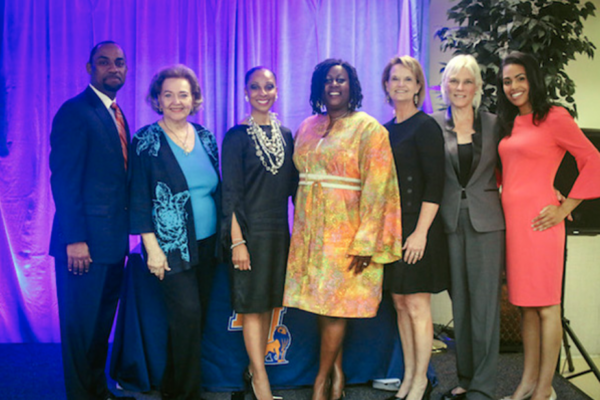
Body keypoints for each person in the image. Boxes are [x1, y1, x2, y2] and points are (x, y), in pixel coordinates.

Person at [283, 58, 403, 400]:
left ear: (352, 86)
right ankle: (337, 371)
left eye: (341, 80)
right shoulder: (307, 126)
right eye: (327, 80)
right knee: (324, 304)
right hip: (311, 232)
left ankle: (321, 381)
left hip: (347, 234)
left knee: (337, 304)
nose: (333, 86)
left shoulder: (369, 129)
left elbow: (379, 187)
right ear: (319, 87)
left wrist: (366, 241)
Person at [497, 52, 600, 400]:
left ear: (534, 79)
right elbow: (507, 171)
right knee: (524, 304)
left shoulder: (554, 116)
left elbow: (593, 161)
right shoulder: (507, 121)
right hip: (513, 225)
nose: (514, 87)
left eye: (521, 78)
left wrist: (565, 206)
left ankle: (544, 389)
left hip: (541, 224)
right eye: (508, 80)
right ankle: (527, 381)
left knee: (547, 305)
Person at [49, 41, 135, 400]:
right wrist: (75, 239)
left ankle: (97, 390)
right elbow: (64, 179)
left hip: (112, 244)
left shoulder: (117, 114)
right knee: (80, 329)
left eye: (119, 63)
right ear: (89, 68)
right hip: (82, 245)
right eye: (104, 62)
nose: (113, 68)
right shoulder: (75, 111)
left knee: (100, 327)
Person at [129, 64, 220, 400]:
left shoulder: (207, 137)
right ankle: (187, 395)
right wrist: (151, 248)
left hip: (208, 247)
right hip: (169, 249)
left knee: (192, 325)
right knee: (187, 319)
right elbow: (138, 198)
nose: (176, 101)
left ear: (194, 98)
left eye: (183, 94)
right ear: (157, 99)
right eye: (168, 95)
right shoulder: (146, 140)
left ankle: (171, 387)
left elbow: (215, 190)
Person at [221, 66, 298, 400]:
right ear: (245, 92)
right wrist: (237, 241)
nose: (262, 92)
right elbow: (231, 196)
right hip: (248, 235)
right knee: (252, 307)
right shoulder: (235, 137)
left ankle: (254, 369)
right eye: (255, 87)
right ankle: (261, 383)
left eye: (269, 86)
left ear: (277, 91)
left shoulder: (286, 135)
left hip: (279, 234)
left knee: (268, 305)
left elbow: (297, 189)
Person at [432, 55, 505, 400]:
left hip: (488, 222)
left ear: (477, 87)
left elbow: (521, 161)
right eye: (453, 81)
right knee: (459, 302)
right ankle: (465, 376)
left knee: (485, 304)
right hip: (448, 222)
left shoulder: (495, 124)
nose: (460, 88)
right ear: (445, 86)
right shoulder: (432, 124)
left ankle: (484, 385)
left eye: (467, 81)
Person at [381, 55, 449, 400]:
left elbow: (435, 184)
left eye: (408, 79)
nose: (401, 85)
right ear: (387, 85)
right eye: (395, 79)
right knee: (399, 303)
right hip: (392, 230)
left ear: (419, 86)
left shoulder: (426, 127)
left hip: (419, 228)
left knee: (418, 305)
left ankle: (421, 380)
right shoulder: (385, 130)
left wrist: (420, 233)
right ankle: (408, 375)